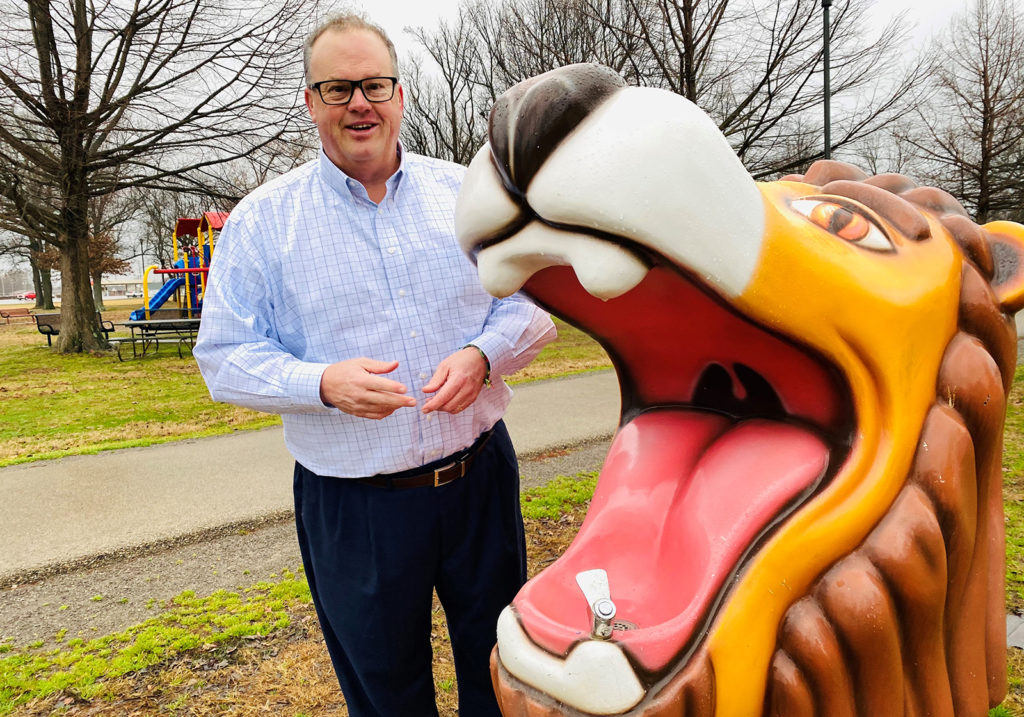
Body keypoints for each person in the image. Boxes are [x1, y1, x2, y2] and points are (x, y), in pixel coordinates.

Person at [193, 13, 556, 717]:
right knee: (386, 696)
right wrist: (321, 383)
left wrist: (484, 355)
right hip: (355, 505)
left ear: (399, 94)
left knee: (505, 674)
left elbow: (535, 299)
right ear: (310, 101)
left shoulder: (468, 196)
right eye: (338, 88)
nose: (360, 102)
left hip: (478, 474)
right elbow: (224, 357)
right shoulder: (265, 221)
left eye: (375, 85)